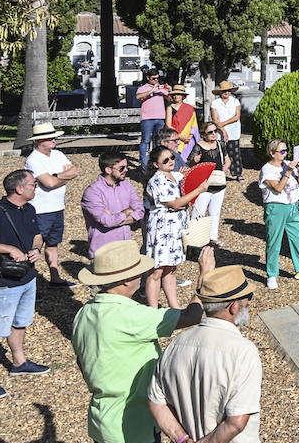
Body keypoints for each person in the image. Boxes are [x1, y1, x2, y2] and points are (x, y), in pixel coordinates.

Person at [72, 240, 205, 443]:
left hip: (102, 420)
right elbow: (192, 316)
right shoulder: (131, 316)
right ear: (126, 280)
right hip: (134, 428)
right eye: (138, 272)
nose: (142, 276)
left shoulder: (84, 312)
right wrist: (204, 278)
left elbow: (81, 360)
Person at [148, 266, 263, 443]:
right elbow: (236, 422)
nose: (249, 303)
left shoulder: (176, 344)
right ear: (233, 306)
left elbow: (156, 402)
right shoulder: (243, 352)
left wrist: (183, 441)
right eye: (247, 298)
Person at [0, 170, 51, 399]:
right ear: (19, 189)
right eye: (33, 184)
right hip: (3, 283)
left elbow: (37, 235)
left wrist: (36, 249)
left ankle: (19, 362)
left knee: (20, 322)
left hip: (27, 277)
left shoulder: (29, 209)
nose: (37, 187)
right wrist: (9, 249)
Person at [144, 145, 206, 308]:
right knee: (156, 270)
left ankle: (174, 306)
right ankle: (152, 309)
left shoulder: (176, 176)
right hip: (162, 228)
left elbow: (182, 199)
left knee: (171, 269)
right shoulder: (157, 180)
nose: (171, 161)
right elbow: (175, 203)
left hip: (176, 227)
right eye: (165, 160)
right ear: (156, 164)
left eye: (172, 157)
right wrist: (198, 191)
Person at [24, 121, 79, 286]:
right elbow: (49, 183)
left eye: (53, 137)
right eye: (49, 138)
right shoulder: (33, 159)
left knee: (53, 243)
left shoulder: (58, 154)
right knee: (34, 245)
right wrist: (62, 176)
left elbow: (74, 171)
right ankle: (29, 282)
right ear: (38, 141)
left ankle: (55, 278)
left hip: (57, 207)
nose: (53, 140)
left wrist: (55, 177)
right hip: (40, 210)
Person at [259, 139, 299, 289]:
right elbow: (278, 188)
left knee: (298, 237)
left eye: (286, 150)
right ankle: (272, 274)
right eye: (282, 151)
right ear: (272, 153)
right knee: (274, 242)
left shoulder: (286, 164)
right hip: (276, 207)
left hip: (292, 205)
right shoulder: (267, 169)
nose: (285, 154)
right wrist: (288, 172)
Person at [81, 154, 145, 259]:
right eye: (121, 168)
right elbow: (106, 221)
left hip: (126, 248)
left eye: (127, 167)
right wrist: (126, 213)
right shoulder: (92, 192)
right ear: (108, 170)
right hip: (104, 252)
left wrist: (114, 218)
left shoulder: (127, 186)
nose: (126, 170)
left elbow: (140, 211)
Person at [188, 121, 229, 247]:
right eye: (210, 132)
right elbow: (190, 163)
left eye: (215, 131)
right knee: (199, 212)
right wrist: (194, 160)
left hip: (219, 182)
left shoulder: (221, 144)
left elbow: (227, 160)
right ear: (204, 134)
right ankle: (194, 238)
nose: (214, 134)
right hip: (203, 184)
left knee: (215, 212)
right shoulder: (199, 147)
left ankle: (213, 237)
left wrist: (224, 168)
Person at [210, 81, 243, 181]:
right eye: (224, 91)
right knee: (220, 154)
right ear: (220, 92)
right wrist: (223, 130)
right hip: (219, 133)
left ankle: (238, 173)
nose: (227, 92)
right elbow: (215, 119)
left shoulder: (235, 101)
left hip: (233, 132)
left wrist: (223, 123)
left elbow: (237, 116)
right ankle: (219, 174)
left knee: (235, 153)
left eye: (228, 90)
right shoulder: (215, 103)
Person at [136, 68, 168, 167]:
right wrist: (152, 90)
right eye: (153, 78)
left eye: (157, 78)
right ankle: (142, 162)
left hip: (160, 118)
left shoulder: (161, 88)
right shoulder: (143, 88)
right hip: (147, 118)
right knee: (145, 140)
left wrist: (169, 90)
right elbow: (138, 97)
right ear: (148, 78)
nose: (156, 80)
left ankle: (155, 160)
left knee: (157, 141)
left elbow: (169, 98)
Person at [165, 86, 197, 167]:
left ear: (183, 96)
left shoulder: (190, 108)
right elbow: (168, 125)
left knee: (189, 159)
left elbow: (194, 124)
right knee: (176, 159)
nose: (176, 96)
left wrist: (190, 136)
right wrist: (179, 136)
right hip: (174, 137)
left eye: (179, 94)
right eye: (175, 94)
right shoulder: (169, 108)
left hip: (188, 139)